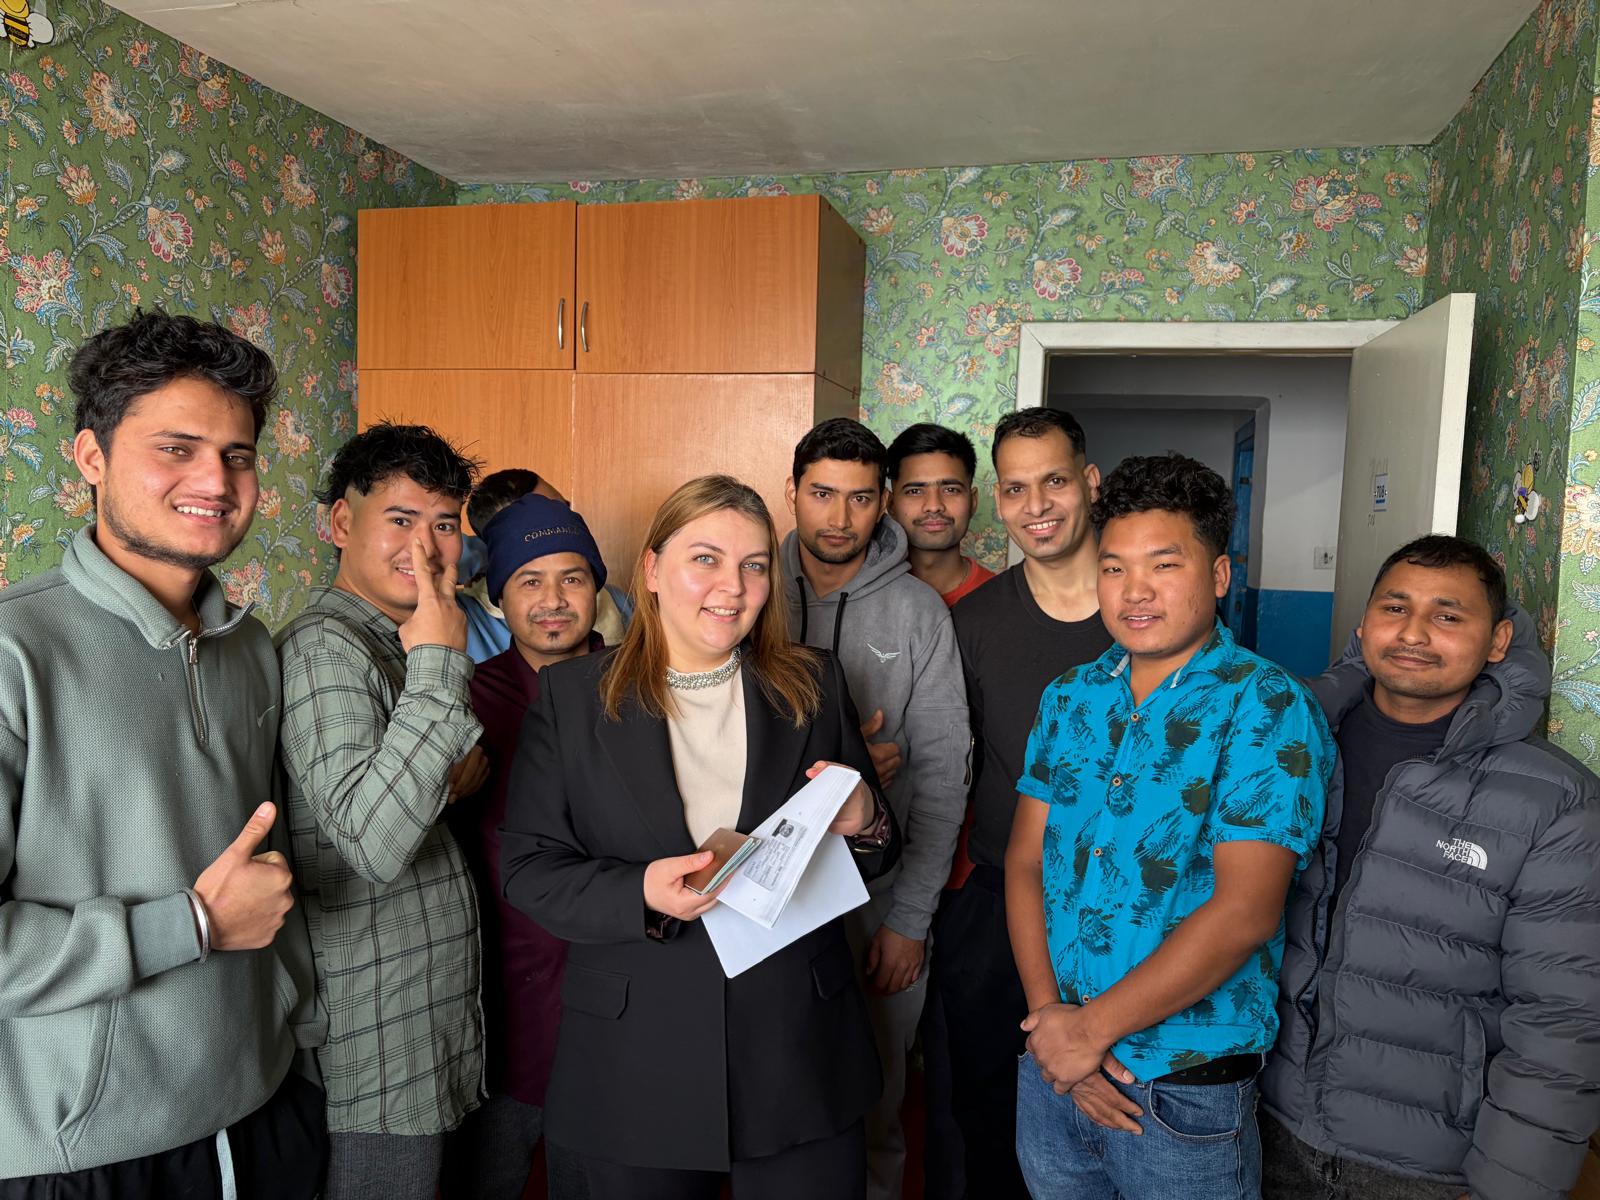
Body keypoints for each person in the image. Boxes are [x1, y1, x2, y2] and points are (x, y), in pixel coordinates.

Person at [0, 310, 325, 1198]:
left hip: (263, 1107)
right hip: (87, 1149)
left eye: (237, 455)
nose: (214, 481)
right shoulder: (16, 652)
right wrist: (193, 924)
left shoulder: (250, 646)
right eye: (176, 449)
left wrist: (299, 1031)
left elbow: (272, 864)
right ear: (91, 457)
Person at [502, 474, 899, 1200]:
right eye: (706, 559)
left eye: (754, 565)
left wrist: (867, 816)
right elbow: (529, 869)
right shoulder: (572, 699)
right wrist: (639, 892)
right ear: (652, 569)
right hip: (635, 1054)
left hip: (797, 1047)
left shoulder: (812, 682)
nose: (733, 587)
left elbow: (874, 851)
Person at [1008, 453, 1333, 1200]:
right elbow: (1027, 863)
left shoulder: (1265, 703)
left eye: (1164, 564)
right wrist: (1053, 1024)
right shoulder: (1071, 696)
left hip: (1183, 1086)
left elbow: (1245, 911)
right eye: (1114, 568)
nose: (1136, 590)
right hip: (1053, 1064)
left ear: (1218, 575)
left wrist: (1089, 1034)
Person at [1261, 535, 1600, 1200]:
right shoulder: (1294, 748)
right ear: (1364, 625)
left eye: (1448, 615)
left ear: (1498, 641)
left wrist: (1512, 1187)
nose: (1414, 633)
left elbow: (1562, 1023)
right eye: (1395, 608)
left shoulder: (1554, 801)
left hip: (1431, 1168)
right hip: (1269, 1124)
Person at [276, 423, 488, 1200]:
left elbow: (449, 775)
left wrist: (444, 772)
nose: (425, 547)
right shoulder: (326, 648)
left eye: (444, 524)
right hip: (377, 1048)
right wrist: (440, 664)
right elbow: (373, 841)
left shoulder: (399, 639)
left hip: (429, 1029)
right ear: (342, 523)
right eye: (400, 519)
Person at [780, 418, 970, 1200]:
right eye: (821, 494)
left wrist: (910, 920)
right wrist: (844, 761)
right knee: (777, 1105)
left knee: (877, 1108)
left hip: (878, 900)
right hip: (765, 896)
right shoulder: (749, 591)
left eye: (860, 498)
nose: (839, 517)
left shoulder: (918, 611)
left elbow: (945, 774)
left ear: (883, 501)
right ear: (792, 491)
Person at [928, 407, 1114, 1198]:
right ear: (996, 500)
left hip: (1127, 908)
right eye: (1015, 488)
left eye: (1055, 481)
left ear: (1090, 483)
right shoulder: (973, 622)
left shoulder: (1145, 607)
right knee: (990, 1117)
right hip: (1001, 904)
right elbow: (948, 765)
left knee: (1119, 1111)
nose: (1036, 505)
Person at [447, 493, 606, 1200]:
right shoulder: (464, 699)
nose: (552, 601)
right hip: (502, 991)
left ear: (597, 588)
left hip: (617, 985)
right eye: (529, 581)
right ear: (497, 597)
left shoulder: (642, 688)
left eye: (572, 578)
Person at [459, 468, 632, 659]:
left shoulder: (618, 602)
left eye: (564, 509)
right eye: (531, 582)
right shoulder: (465, 617)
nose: (553, 602)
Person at [885, 422, 994, 606]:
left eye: (950, 489)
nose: (934, 506)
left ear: (973, 501)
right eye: (915, 491)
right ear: (891, 505)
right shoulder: (868, 596)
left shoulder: (1001, 600)